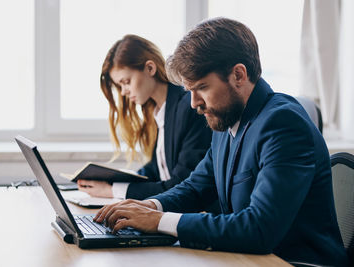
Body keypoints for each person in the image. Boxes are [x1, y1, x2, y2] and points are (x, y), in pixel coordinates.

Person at [93, 18, 349, 266]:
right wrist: (148, 206)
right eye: (189, 91)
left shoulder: (283, 124)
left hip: (294, 262)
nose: (194, 104)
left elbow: (258, 228)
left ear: (238, 75)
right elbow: (195, 187)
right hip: (247, 259)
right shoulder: (226, 119)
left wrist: (159, 220)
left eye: (202, 88)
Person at [77, 34, 213, 202]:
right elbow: (156, 171)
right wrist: (114, 179)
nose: (124, 92)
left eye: (126, 82)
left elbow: (181, 184)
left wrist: (113, 190)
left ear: (150, 68)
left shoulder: (188, 107)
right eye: (120, 86)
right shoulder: (159, 110)